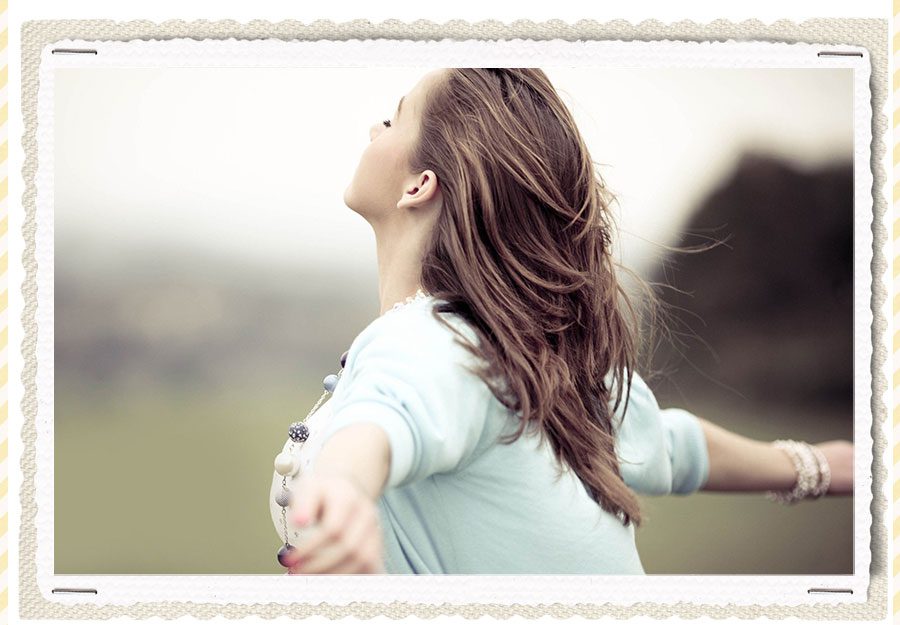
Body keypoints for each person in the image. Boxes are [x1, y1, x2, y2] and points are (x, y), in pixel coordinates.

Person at [269, 68, 854, 575]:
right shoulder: (524, 353)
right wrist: (816, 465)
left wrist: (342, 488)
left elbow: (385, 419)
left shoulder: (431, 341)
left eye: (394, 120)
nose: (376, 128)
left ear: (420, 185)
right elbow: (670, 444)